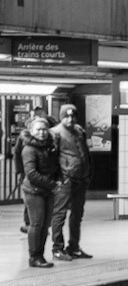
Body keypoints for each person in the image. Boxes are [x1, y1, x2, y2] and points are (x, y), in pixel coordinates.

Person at [50, 104, 92, 261]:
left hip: (81, 178)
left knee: (77, 214)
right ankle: (57, 248)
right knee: (59, 214)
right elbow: (52, 158)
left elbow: (85, 153)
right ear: (61, 117)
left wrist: (88, 173)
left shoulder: (79, 131)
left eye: (73, 116)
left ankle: (74, 246)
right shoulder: (55, 133)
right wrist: (58, 178)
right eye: (66, 116)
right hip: (65, 179)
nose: (70, 119)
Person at [21, 117, 60, 268]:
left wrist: (57, 180)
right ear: (31, 131)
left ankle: (40, 256)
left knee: (45, 225)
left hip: (47, 190)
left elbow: (54, 166)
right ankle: (34, 257)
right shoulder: (29, 149)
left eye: (44, 129)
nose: (42, 132)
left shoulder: (49, 146)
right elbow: (31, 173)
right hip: (34, 191)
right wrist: (52, 184)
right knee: (36, 224)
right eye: (38, 129)